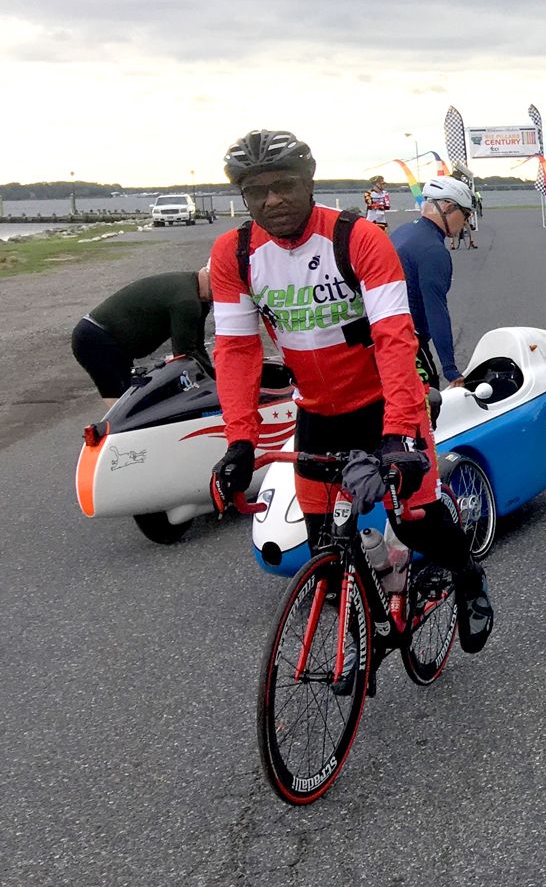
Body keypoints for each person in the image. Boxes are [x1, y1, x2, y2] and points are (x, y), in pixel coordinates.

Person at [207, 129, 490, 652]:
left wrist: (403, 431)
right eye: (256, 191)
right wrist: (239, 441)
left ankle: (468, 575)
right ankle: (374, 603)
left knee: (417, 521)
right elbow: (236, 351)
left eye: (284, 185)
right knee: (322, 545)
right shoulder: (236, 252)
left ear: (309, 182)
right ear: (242, 198)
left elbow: (393, 338)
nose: (273, 200)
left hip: (385, 400)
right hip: (318, 410)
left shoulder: (357, 237)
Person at [73, 266, 213, 405]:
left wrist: (214, 379)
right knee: (126, 403)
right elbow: (184, 354)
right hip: (96, 338)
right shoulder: (187, 301)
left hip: (110, 339)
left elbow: (197, 345)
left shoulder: (198, 297)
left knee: (133, 399)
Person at [391, 175, 475, 388]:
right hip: (408, 345)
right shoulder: (433, 251)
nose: (465, 222)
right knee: (427, 412)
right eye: (465, 214)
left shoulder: (404, 231)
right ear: (447, 206)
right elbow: (436, 310)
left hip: (382, 339)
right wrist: (450, 368)